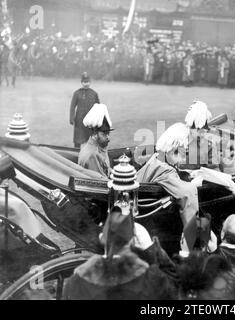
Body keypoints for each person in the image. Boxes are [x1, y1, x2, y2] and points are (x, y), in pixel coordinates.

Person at [63, 205, 177, 300]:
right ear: (133, 240)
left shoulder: (78, 279)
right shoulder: (151, 279)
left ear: (102, 238)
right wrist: (152, 248)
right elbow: (175, 283)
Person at [136, 123, 203, 253]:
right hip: (158, 223)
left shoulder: (156, 160)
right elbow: (187, 194)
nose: (184, 158)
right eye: (185, 152)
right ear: (174, 150)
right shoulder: (165, 170)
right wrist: (194, 184)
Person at [184, 101, 221, 171]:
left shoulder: (209, 145)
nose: (200, 133)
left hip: (199, 179)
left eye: (204, 129)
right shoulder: (180, 139)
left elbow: (214, 169)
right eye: (196, 129)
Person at [78, 103, 113, 178]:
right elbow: (101, 182)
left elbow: (105, 170)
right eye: (104, 134)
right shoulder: (93, 156)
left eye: (108, 133)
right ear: (94, 134)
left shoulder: (97, 147)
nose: (108, 138)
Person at [69, 72, 100, 148]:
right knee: (78, 140)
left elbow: (98, 107)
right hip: (79, 120)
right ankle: (75, 155)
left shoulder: (94, 93)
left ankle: (90, 156)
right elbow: (72, 106)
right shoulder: (77, 93)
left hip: (91, 121)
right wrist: (71, 118)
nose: (86, 84)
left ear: (90, 82)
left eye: (88, 82)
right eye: (84, 82)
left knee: (92, 140)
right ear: (81, 82)